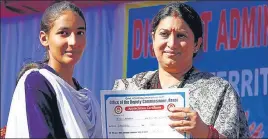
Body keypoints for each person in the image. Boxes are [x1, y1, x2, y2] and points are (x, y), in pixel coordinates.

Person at [112, 2, 249, 138]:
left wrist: (205, 133)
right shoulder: (127, 89)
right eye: (164, 34)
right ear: (153, 39)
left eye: (181, 36)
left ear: (197, 44)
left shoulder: (220, 91)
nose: (172, 44)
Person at [5, 1, 102, 138]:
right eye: (64, 33)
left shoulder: (89, 98)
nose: (74, 42)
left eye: (80, 32)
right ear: (44, 38)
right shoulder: (36, 83)